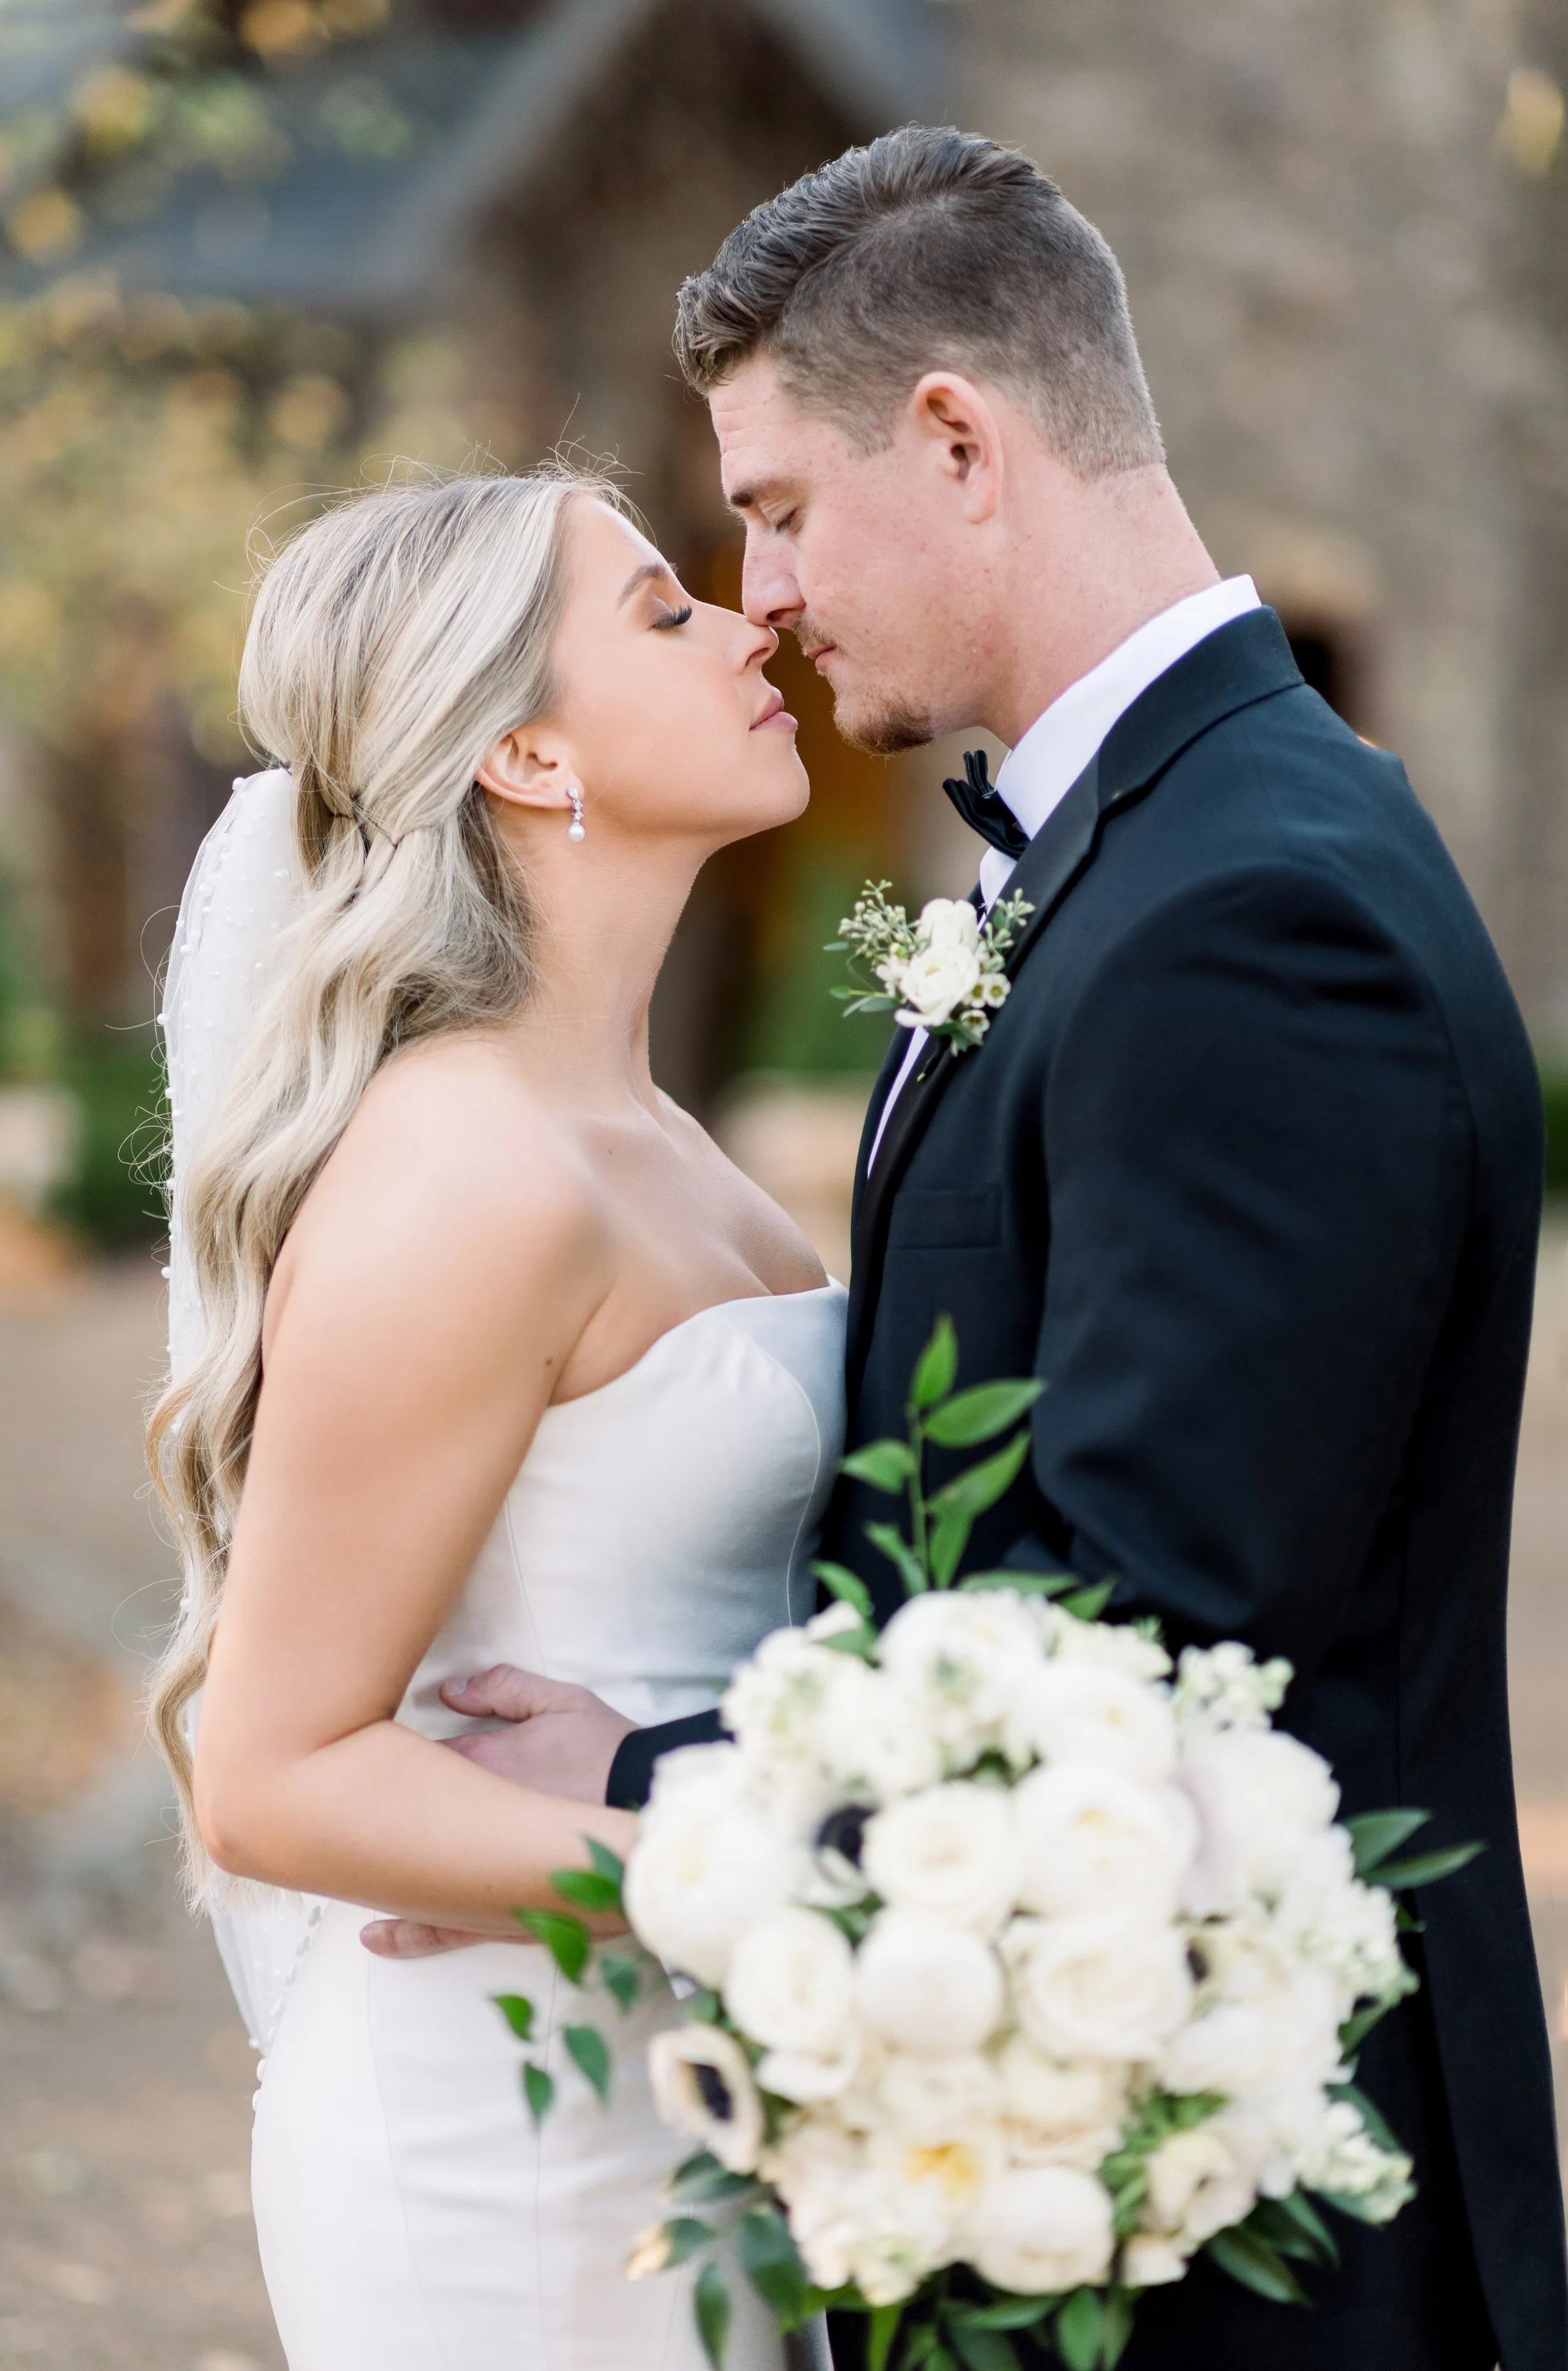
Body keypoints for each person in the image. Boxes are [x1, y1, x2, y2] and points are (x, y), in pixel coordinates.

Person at [395, 130, 1568, 2370]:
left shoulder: (1247, 914)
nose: (760, 590)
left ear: (955, 438)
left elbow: (1138, 1627)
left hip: (1241, 2243)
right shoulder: (1178, 848)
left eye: (774, 504)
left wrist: (651, 1787)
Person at [146, 467, 842, 2370]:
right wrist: (743, 1875)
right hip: (506, 2153)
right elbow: (272, 1773)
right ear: (529, 755)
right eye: (660, 612)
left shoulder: (647, 1136)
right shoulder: (469, 1169)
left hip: (690, 2082)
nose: (745, 621)